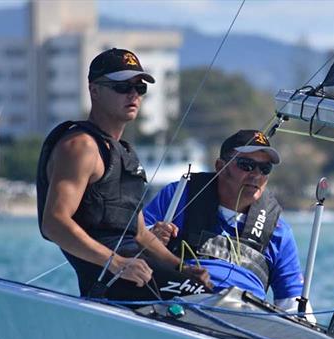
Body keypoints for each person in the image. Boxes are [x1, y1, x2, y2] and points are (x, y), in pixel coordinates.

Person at [35, 48, 211, 300]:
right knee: (200, 298)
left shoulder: (124, 153)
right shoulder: (81, 146)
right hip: (109, 277)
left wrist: (180, 266)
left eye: (139, 88)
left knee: (208, 290)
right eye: (122, 87)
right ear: (94, 90)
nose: (133, 95)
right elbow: (53, 223)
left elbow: (138, 233)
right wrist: (116, 263)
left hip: (134, 266)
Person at [143, 130, 312, 315]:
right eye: (246, 165)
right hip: (179, 303)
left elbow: (292, 303)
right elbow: (129, 238)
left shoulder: (279, 231)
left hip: (245, 318)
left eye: (265, 169)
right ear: (220, 166)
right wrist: (151, 236)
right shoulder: (179, 196)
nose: (256, 175)